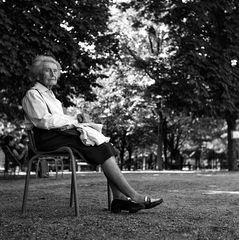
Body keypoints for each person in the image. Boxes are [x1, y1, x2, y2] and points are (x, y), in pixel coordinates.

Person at [22, 55, 163, 213]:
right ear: (38, 74)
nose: (53, 74)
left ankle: (119, 199)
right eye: (48, 71)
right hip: (45, 139)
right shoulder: (33, 94)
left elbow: (58, 119)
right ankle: (133, 196)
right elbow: (45, 121)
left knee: (105, 146)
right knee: (100, 146)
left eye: (56, 71)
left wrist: (75, 120)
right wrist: (74, 119)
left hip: (59, 136)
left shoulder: (51, 96)